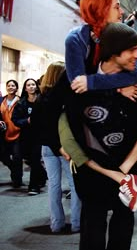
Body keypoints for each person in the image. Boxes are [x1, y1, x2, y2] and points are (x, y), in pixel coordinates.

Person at [61, 22, 137, 250]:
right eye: (132, 50)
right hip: (92, 171)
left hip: (128, 173)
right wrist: (60, 144)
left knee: (122, 229)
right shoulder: (80, 75)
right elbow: (53, 112)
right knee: (92, 231)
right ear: (114, 51)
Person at [30, 61, 81, 233]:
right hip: (65, 147)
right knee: (75, 186)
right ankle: (76, 224)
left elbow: (35, 127)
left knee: (53, 186)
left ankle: (56, 224)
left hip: (46, 147)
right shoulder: (63, 98)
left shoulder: (39, 99)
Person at [12, 78, 47, 195]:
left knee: (36, 159)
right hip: (25, 136)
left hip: (39, 135)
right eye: (28, 85)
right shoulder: (21, 103)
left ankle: (33, 186)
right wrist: (26, 121)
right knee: (27, 158)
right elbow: (15, 119)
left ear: (36, 86)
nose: (31, 87)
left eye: (33, 84)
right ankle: (42, 175)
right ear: (25, 88)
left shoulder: (42, 100)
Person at [0, 80, 22, 187]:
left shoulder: (21, 101)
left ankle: (17, 180)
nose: (10, 87)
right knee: (3, 156)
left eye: (13, 86)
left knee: (17, 157)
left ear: (16, 88)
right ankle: (15, 170)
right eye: (8, 86)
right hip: (4, 133)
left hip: (18, 132)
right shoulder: (1, 100)